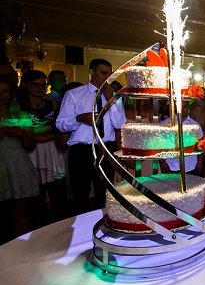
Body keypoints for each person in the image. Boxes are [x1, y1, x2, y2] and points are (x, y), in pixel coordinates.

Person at [56, 59, 126, 214]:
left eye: (110, 74)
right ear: (92, 72)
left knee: (105, 192)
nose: (107, 77)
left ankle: (105, 222)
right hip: (81, 149)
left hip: (106, 148)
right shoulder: (74, 94)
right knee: (80, 192)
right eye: (104, 73)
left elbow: (119, 124)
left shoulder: (114, 96)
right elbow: (60, 124)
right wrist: (79, 119)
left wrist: (111, 100)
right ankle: (81, 225)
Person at [19, 70, 67, 222]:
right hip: (31, 150)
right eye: (35, 85)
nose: (40, 88)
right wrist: (43, 131)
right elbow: (24, 133)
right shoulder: (20, 106)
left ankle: (59, 223)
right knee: (36, 191)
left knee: (57, 190)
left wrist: (37, 132)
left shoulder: (53, 104)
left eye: (43, 84)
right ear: (25, 85)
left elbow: (59, 129)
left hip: (53, 148)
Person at [0, 75, 39, 243]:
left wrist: (21, 133)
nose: (2, 95)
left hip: (16, 164)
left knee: (19, 210)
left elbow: (31, 146)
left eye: (5, 91)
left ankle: (19, 245)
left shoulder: (22, 116)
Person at [160, 99, 205, 176]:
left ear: (188, 107)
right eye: (180, 106)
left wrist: (200, 162)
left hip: (190, 166)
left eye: (184, 106)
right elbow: (159, 145)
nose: (182, 109)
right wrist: (162, 162)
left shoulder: (195, 125)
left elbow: (201, 144)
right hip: (170, 165)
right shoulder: (165, 125)